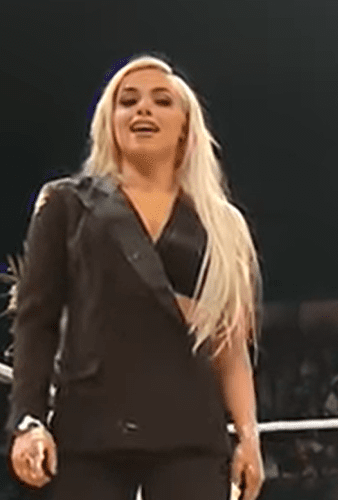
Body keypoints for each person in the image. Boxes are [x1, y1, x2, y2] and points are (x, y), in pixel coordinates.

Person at [6, 55, 266, 500]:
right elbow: (36, 321)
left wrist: (249, 436)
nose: (143, 108)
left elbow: (230, 344)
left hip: (191, 436)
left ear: (185, 126)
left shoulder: (220, 224)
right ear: (109, 122)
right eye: (128, 101)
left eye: (161, 100)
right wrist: (28, 421)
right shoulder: (67, 204)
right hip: (89, 432)